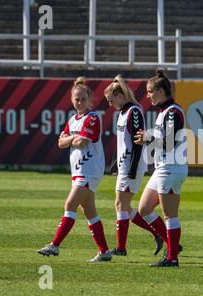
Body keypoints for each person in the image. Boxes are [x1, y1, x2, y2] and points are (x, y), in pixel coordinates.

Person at [37, 77, 112, 262]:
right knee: (90, 212)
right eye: (76, 99)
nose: (79, 102)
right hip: (79, 170)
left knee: (69, 205)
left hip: (90, 169)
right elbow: (61, 143)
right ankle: (104, 252)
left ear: (89, 99)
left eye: (83, 99)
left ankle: (54, 246)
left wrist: (70, 138)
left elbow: (81, 141)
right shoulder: (73, 119)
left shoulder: (92, 118)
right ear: (72, 99)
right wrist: (72, 138)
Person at [104, 75, 164, 256]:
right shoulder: (122, 112)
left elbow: (138, 142)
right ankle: (160, 235)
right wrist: (115, 165)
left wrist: (131, 169)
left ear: (120, 96)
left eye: (111, 100)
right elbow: (122, 142)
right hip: (125, 166)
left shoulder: (134, 111)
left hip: (133, 166)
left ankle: (121, 248)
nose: (110, 104)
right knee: (124, 207)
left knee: (121, 206)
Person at [134, 69, 187, 267]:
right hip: (162, 168)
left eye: (150, 91)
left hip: (172, 168)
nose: (147, 95)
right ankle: (172, 245)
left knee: (170, 215)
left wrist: (148, 138)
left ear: (161, 91)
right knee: (144, 208)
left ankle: (172, 257)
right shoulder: (164, 112)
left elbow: (171, 141)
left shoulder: (173, 111)